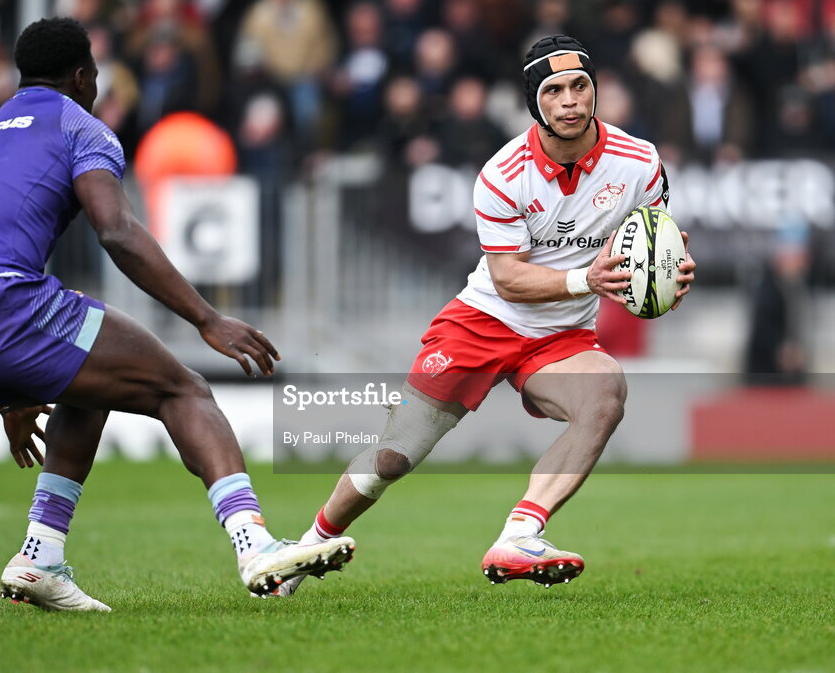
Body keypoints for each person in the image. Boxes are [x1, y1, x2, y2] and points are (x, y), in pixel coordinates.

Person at [0, 17, 353, 612]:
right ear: (83, 75)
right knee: (183, 390)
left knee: (89, 387)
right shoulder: (79, 124)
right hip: (2, 307)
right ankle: (256, 545)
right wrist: (206, 319)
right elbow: (116, 231)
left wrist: (9, 394)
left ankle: (39, 556)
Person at [275, 35, 695, 596]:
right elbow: (508, 279)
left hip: (561, 335)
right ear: (533, 102)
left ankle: (521, 534)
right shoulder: (503, 172)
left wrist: (673, 272)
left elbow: (656, 244)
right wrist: (585, 280)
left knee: (605, 393)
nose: (570, 101)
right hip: (482, 322)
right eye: (553, 91)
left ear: (595, 92)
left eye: (580, 86)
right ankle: (305, 547)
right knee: (395, 456)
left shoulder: (640, 162)